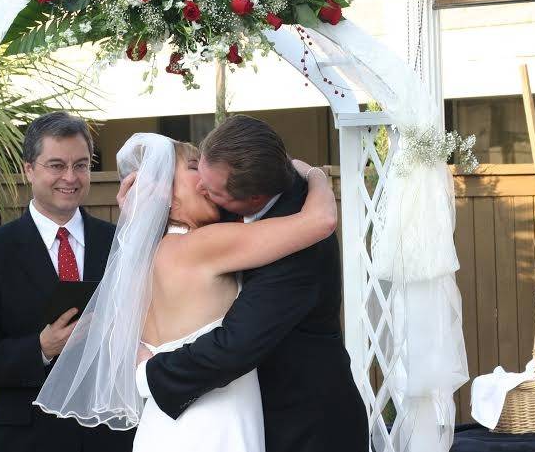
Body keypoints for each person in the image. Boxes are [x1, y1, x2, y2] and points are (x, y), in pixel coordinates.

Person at [34, 129, 341, 451]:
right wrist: (315, 174)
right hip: (210, 426)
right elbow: (318, 221)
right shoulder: (201, 246)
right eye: (194, 168)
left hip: (164, 423)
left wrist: (139, 212)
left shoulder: (147, 259)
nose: (204, 184)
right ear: (162, 190)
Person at [135, 115, 369, 452]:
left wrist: (150, 373)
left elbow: (235, 345)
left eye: (212, 189)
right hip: (216, 412)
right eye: (195, 169)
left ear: (253, 199)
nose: (203, 186)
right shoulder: (218, 213)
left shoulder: (298, 248)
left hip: (303, 425)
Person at [0, 111, 135, 452]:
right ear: (28, 169)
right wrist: (41, 347)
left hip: (109, 437)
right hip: (27, 439)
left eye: (81, 165)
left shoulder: (121, 244)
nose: (71, 177)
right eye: (56, 165)